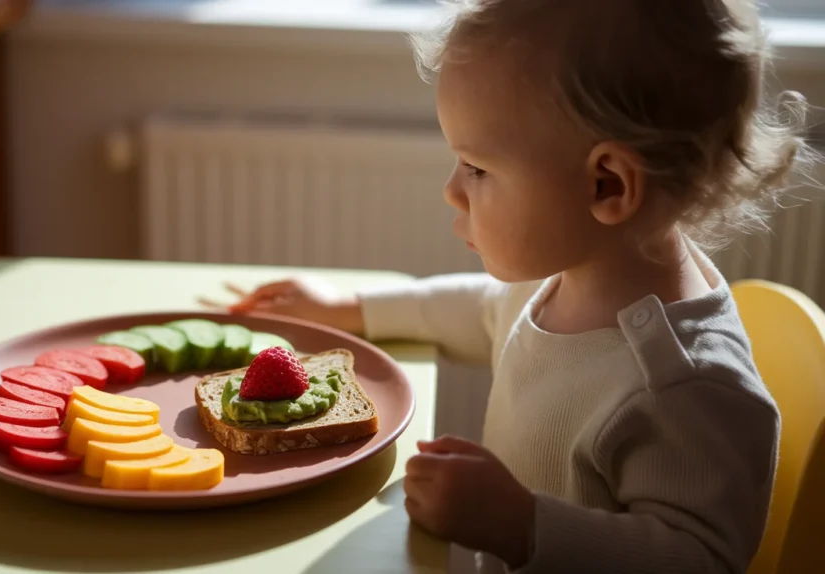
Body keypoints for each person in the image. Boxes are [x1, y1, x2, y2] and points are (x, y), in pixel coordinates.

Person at [204, 0, 820, 571]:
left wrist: (522, 525)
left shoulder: (685, 386)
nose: (451, 189)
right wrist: (357, 307)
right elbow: (485, 313)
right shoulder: (574, 273)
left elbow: (700, 559)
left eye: (476, 167)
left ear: (608, 185)